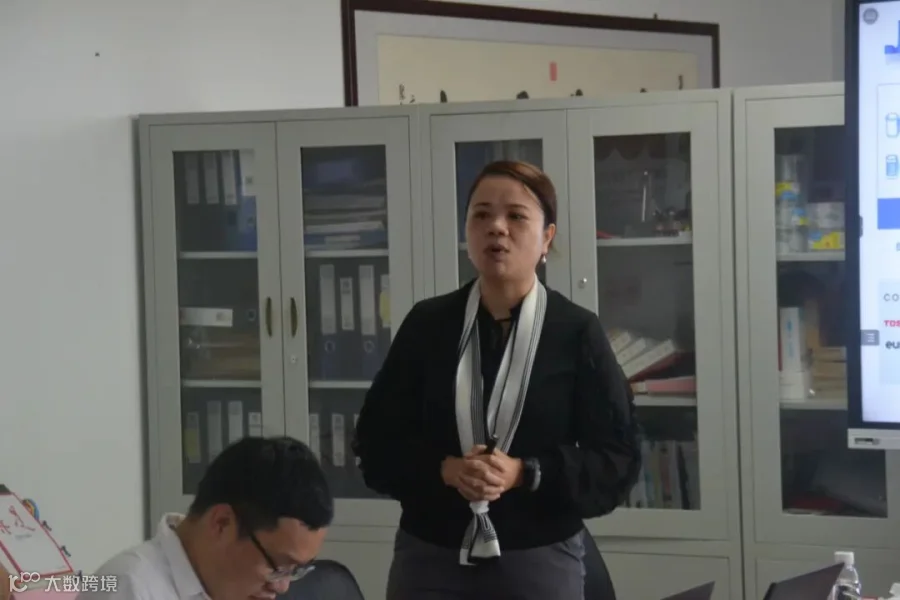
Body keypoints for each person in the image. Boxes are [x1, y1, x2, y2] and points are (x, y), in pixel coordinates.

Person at [352, 160, 642, 600]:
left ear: (547, 237)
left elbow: (617, 458)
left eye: (516, 216)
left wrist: (527, 472)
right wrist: (445, 469)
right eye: (482, 215)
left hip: (538, 554)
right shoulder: (428, 325)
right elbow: (375, 441)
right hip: (430, 552)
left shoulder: (575, 331)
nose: (497, 228)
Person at [76, 436, 333, 600]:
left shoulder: (225, 589)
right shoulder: (129, 589)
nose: (282, 587)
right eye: (278, 567)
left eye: (295, 571)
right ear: (222, 523)